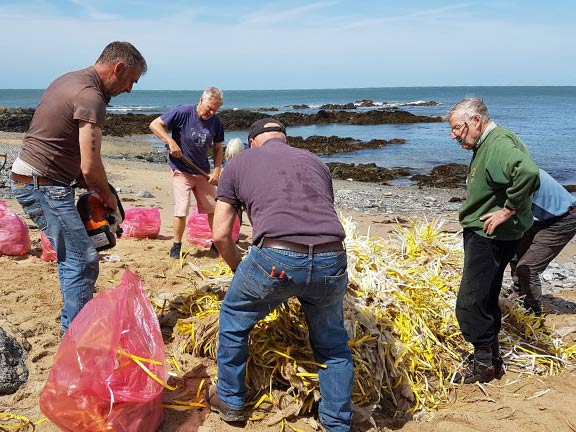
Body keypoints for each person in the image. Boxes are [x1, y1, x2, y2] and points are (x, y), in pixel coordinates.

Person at [208, 118, 354, 431]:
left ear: (251, 143)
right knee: (332, 342)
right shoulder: (316, 162)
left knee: (234, 316)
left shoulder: (237, 164)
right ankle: (337, 422)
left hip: (277, 256)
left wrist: (240, 271)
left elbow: (221, 235)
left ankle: (231, 401)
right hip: (333, 255)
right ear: (284, 140)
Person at [10, 41, 147, 335]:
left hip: (38, 180)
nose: (129, 90)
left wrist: (96, 190)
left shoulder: (71, 79)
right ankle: (76, 337)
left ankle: (74, 324)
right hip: (43, 185)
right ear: (118, 68)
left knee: (73, 255)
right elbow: (90, 164)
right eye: (130, 81)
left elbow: (72, 154)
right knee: (83, 259)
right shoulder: (90, 96)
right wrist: (107, 197)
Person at [447, 98, 540, 384]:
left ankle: (483, 364)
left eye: (457, 129)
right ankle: (492, 360)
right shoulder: (488, 141)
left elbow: (528, 172)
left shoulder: (497, 142)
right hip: (492, 233)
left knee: (469, 303)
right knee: (486, 297)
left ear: (476, 121)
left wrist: (508, 209)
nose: (454, 135)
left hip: (489, 235)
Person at [149, 87, 224, 258]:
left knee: (212, 209)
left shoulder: (216, 122)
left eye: (215, 110)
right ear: (201, 100)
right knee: (182, 208)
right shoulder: (183, 112)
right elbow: (155, 125)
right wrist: (170, 141)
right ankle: (176, 245)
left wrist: (217, 170)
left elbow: (218, 148)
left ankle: (217, 243)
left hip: (203, 172)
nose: (211, 113)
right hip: (181, 169)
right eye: (209, 108)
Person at [509, 169, 576, 314]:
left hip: (564, 219)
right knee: (515, 254)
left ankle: (532, 312)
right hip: (541, 218)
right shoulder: (513, 169)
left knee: (528, 267)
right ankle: (519, 294)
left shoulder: (522, 175)